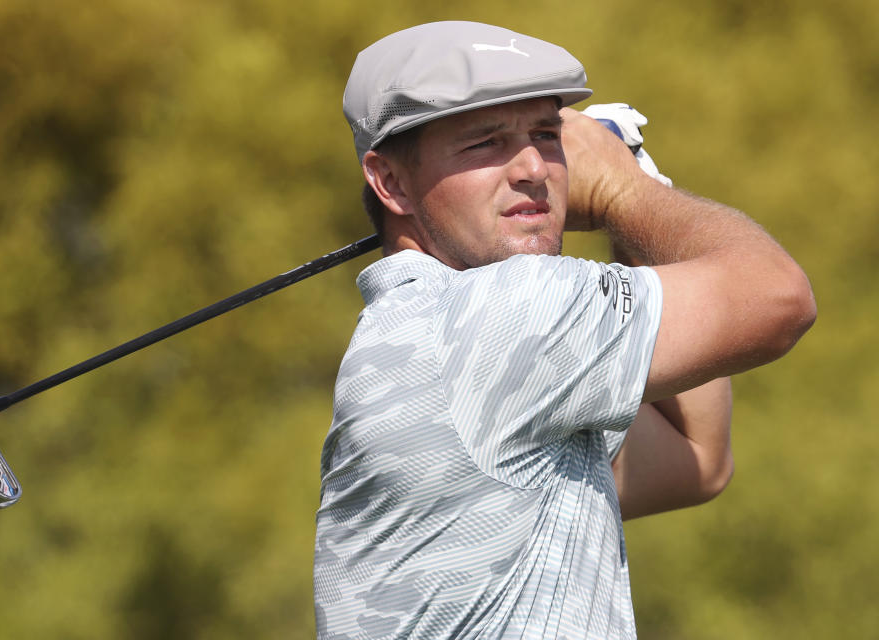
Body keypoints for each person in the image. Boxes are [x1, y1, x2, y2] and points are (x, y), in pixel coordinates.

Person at [313, 21, 815, 639]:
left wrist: (636, 197)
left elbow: (697, 459)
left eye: (547, 135)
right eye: (484, 143)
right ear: (390, 182)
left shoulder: (426, 335)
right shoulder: (497, 314)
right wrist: (623, 192)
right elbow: (777, 296)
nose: (533, 168)